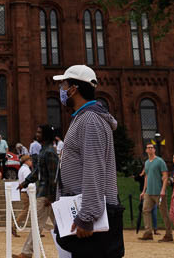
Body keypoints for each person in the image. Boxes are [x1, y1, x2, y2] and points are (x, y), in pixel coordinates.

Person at [52, 65, 122, 254]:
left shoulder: (90, 120)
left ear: (74, 89)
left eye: (64, 85)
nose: (62, 90)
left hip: (92, 220)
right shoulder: (83, 118)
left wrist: (87, 215)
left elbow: (94, 168)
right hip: (81, 209)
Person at [13, 124, 59, 258]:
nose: (37, 134)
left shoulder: (49, 152)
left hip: (46, 195)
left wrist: (51, 196)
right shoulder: (44, 150)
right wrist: (24, 183)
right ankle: (76, 248)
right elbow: (37, 172)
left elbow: (53, 176)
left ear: (45, 135)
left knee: (37, 224)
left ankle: (26, 253)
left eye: (39, 132)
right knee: (61, 225)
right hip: (45, 193)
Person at [139, 142, 171, 241]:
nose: (150, 149)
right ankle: (148, 233)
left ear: (154, 150)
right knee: (145, 210)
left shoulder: (160, 161)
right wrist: (143, 191)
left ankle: (169, 235)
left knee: (164, 213)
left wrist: (163, 190)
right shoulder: (147, 163)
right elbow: (146, 177)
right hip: (149, 192)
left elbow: (165, 176)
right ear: (146, 150)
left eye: (151, 148)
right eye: (148, 148)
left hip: (159, 192)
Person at [11, 153, 33, 238]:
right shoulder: (26, 170)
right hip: (27, 192)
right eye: (30, 160)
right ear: (26, 161)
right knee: (25, 211)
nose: (31, 162)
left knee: (26, 211)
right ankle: (14, 225)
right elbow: (28, 182)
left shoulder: (21, 169)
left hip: (24, 191)